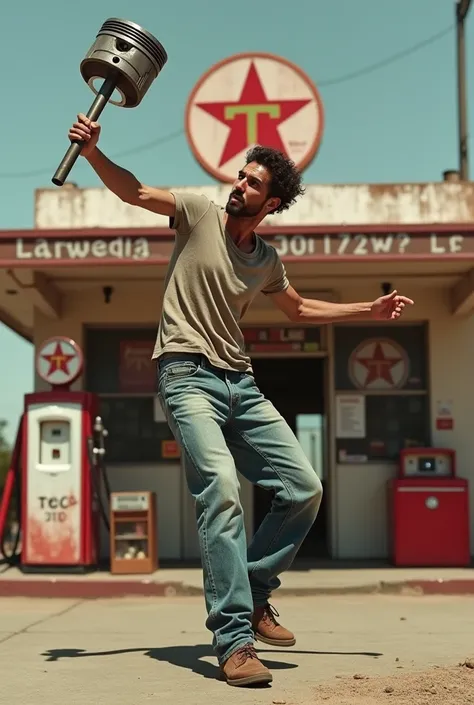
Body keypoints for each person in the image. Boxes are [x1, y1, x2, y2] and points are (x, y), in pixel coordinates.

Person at [68, 113, 414, 687]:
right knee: (222, 490)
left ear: (272, 202)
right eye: (241, 176)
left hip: (241, 383)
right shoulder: (199, 212)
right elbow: (135, 192)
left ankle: (254, 592)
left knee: (304, 488)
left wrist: (366, 311)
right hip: (185, 375)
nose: (240, 185)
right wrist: (93, 153)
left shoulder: (266, 261)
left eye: (253, 183)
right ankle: (234, 639)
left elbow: (299, 310)